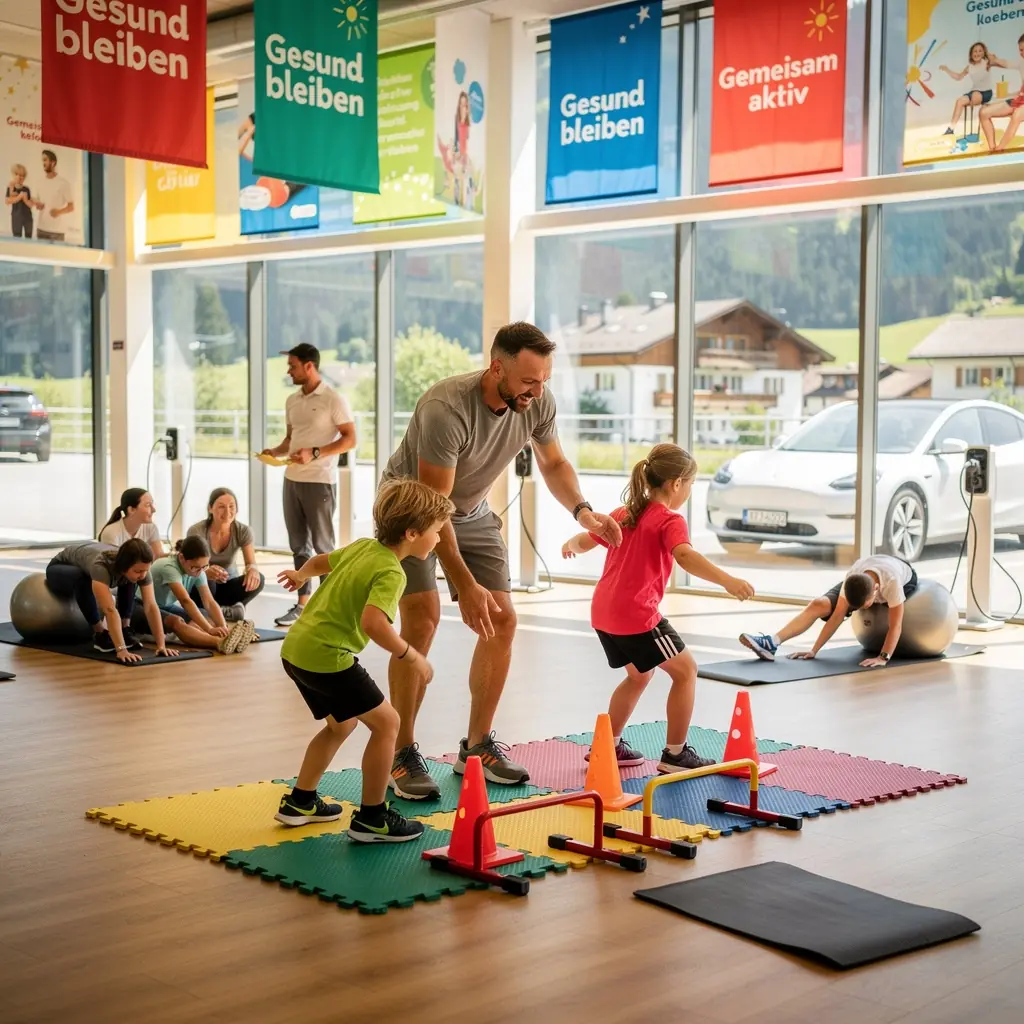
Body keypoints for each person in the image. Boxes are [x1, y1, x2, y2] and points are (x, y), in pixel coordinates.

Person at [379, 321, 624, 800]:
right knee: (423, 620)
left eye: (544, 380)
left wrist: (584, 512)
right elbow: (433, 507)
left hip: (469, 510)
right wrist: (465, 585)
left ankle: (477, 746)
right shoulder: (445, 408)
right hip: (410, 509)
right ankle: (401, 749)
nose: (537, 391)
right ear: (497, 368)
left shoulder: (538, 403)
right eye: (529, 381)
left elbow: (554, 464)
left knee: (503, 619)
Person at [274, 478, 455, 842]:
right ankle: (372, 819)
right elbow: (374, 623)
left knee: (341, 726)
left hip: (296, 651)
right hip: (327, 656)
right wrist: (412, 655)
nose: (438, 540)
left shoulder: (361, 548)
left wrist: (300, 575)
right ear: (412, 532)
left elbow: (318, 561)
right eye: (436, 532)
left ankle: (300, 803)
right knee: (388, 724)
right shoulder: (391, 571)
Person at [562, 444, 755, 773]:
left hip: (603, 613)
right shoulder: (670, 520)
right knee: (686, 672)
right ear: (677, 484)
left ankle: (607, 746)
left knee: (639, 676)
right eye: (691, 485)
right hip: (636, 616)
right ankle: (675, 755)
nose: (689, 492)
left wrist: (571, 545)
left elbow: (586, 539)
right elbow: (684, 556)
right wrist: (727, 580)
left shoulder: (624, 514)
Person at [261, 343, 356, 627]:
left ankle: (331, 606)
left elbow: (350, 439)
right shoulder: (292, 401)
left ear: (309, 366)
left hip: (319, 482)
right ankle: (302, 604)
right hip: (292, 479)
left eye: (292, 366)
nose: (289, 371)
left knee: (323, 545)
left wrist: (315, 453)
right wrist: (275, 452)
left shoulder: (333, 399)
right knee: (298, 545)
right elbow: (291, 440)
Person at [740, 553, 918, 668]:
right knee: (820, 604)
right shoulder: (852, 575)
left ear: (877, 589)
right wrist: (814, 651)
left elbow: (896, 626)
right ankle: (772, 643)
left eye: (866, 605)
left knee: (889, 614)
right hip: (868, 573)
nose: (864, 610)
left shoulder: (892, 582)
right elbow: (837, 616)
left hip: (900, 570)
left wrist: (883, 658)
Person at [45, 539, 178, 664]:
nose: (143, 574)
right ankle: (100, 634)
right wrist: (121, 650)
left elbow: (150, 606)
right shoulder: (101, 566)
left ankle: (125, 629)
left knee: (131, 579)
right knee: (83, 579)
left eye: (145, 570)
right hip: (60, 567)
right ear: (124, 566)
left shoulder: (140, 569)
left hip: (94, 562)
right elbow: (109, 609)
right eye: (138, 570)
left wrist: (161, 645)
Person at [140, 537, 256, 655]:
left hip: (165, 606)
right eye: (195, 567)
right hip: (142, 605)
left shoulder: (199, 570)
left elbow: (209, 602)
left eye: (204, 566)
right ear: (181, 558)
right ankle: (219, 642)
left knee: (204, 615)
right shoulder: (169, 567)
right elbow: (185, 601)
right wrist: (209, 629)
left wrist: (223, 627)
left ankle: (231, 636)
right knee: (177, 622)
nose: (200, 572)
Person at [186, 488, 265, 622]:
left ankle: (217, 611)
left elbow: (251, 562)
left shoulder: (243, 531)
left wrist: (252, 570)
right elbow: (189, 566)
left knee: (259, 579)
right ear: (210, 508)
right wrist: (206, 570)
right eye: (221, 507)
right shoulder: (197, 531)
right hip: (202, 586)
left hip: (227, 583)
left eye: (231, 506)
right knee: (205, 578)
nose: (227, 512)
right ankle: (223, 610)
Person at [980, 34, 1024, 152]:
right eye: (1021, 50)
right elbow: (1006, 63)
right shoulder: (1021, 62)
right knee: (984, 113)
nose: (1022, 53)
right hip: (1020, 100)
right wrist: (993, 61)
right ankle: (992, 148)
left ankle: (999, 149)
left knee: (1017, 115)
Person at [99, 488, 165, 559]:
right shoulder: (111, 533)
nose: (154, 510)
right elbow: (113, 565)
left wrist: (175, 555)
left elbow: (159, 556)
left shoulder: (151, 527)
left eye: (152, 504)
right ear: (131, 510)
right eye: (148, 505)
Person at [31, 150, 74, 242]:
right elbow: (37, 200)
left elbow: (71, 207)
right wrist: (37, 204)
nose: (43, 163)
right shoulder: (39, 182)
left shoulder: (63, 183)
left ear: (53, 163)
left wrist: (58, 212)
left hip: (57, 232)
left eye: (45, 160)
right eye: (42, 160)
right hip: (41, 229)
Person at [5, 163, 33, 238]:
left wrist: (26, 200)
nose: (20, 177)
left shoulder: (26, 189)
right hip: (16, 217)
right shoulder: (11, 188)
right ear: (13, 175)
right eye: (17, 174)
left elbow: (30, 204)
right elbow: (7, 201)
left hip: (27, 217)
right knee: (16, 237)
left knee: (28, 237)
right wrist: (19, 197)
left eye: (22, 175)